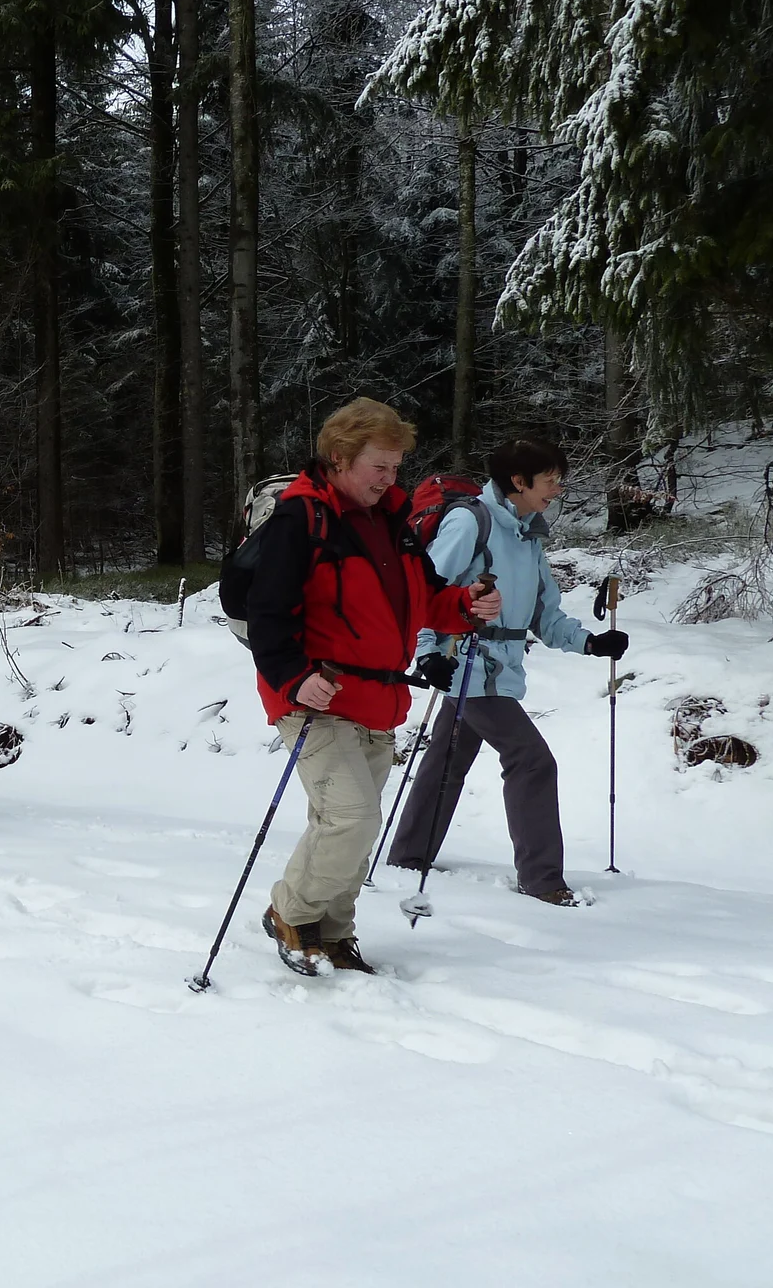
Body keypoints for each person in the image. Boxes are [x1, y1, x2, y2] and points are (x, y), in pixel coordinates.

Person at [243, 398, 503, 976]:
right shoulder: (301, 520)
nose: (390, 479)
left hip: (379, 700)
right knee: (352, 818)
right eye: (378, 467)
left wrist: (466, 605)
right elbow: (267, 613)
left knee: (347, 826)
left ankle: (332, 933)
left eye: (395, 468)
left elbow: (426, 598)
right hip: (318, 697)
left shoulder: (393, 523)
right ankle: (290, 914)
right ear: (338, 459)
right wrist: (294, 677)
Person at [385, 437, 629, 905]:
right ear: (519, 481)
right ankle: (543, 881)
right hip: (467, 665)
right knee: (533, 761)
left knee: (448, 759)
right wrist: (427, 652)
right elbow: (424, 593)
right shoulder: (468, 522)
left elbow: (544, 614)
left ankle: (410, 855)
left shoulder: (527, 533)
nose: (558, 488)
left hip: (496, 670)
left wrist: (591, 642)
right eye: (551, 479)